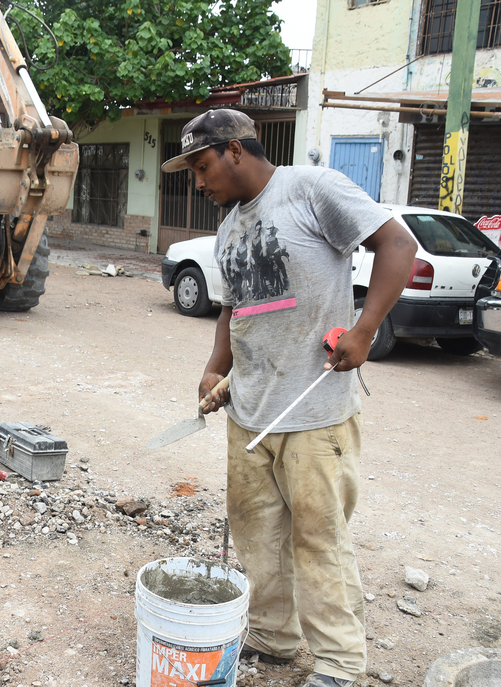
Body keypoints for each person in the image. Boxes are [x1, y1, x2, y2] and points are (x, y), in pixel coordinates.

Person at [161, 109, 416, 687]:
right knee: (256, 532)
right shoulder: (229, 229)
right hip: (250, 411)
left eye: (203, 166)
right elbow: (234, 308)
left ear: (235, 150)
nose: (200, 183)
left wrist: (365, 328)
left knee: (318, 538)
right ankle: (273, 638)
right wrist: (213, 371)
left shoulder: (311, 190)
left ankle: (340, 665)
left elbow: (397, 243)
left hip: (315, 411)